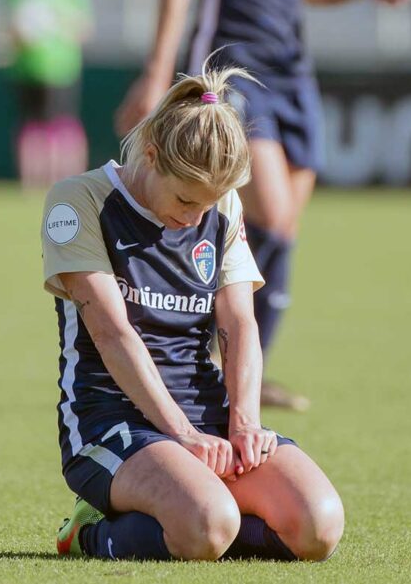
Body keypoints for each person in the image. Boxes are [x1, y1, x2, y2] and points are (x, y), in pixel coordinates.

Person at [42, 65, 344, 561]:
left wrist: (244, 422)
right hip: (112, 421)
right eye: (184, 199)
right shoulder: (79, 201)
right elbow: (114, 333)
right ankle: (89, 530)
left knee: (317, 527)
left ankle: (189, 509)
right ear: (153, 155)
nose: (193, 218)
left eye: (206, 205)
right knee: (208, 526)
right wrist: (181, 433)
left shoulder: (221, 207)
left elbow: (240, 324)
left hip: (206, 412)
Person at [115, 0, 410, 410]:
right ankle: (197, 358)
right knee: (268, 216)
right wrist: (156, 73)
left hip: (290, 68)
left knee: (283, 227)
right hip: (231, 63)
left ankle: (247, 372)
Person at [6, 0, 93, 190]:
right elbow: (11, 29)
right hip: (29, 70)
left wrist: (58, 26)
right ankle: (32, 183)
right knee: (32, 126)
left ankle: (67, 181)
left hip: (63, 70)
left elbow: (83, 28)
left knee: (64, 126)